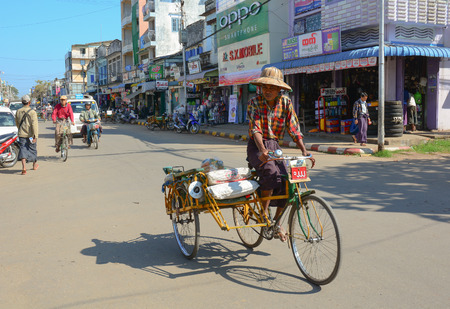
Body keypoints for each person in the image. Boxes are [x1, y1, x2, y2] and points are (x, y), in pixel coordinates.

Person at [246, 67, 315, 242]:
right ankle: (263, 213)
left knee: (287, 181)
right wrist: (262, 149)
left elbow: (294, 129)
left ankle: (276, 222)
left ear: (279, 89)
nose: (268, 90)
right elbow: (256, 128)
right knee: (271, 172)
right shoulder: (254, 103)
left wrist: (304, 150)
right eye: (265, 87)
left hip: (275, 146)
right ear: (261, 87)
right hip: (257, 145)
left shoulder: (286, 103)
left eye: (272, 87)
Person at [15, 95, 39, 175]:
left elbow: (17, 123)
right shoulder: (32, 112)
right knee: (33, 150)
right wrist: (35, 135)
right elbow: (34, 125)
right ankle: (34, 165)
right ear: (29, 102)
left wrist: (21, 130)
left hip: (21, 134)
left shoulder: (18, 111)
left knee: (23, 150)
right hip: (31, 135)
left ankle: (24, 167)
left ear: (22, 102)